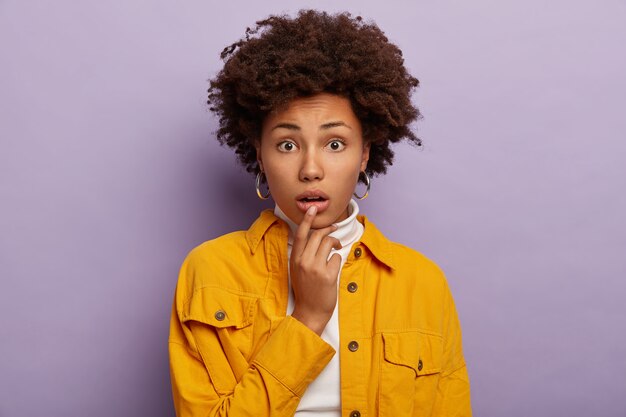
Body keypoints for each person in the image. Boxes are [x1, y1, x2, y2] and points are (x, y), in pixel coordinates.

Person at [168, 9, 472, 417]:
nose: (311, 169)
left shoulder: (423, 284)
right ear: (260, 154)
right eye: (288, 145)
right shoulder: (211, 274)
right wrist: (308, 317)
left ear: (364, 154)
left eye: (334, 144)